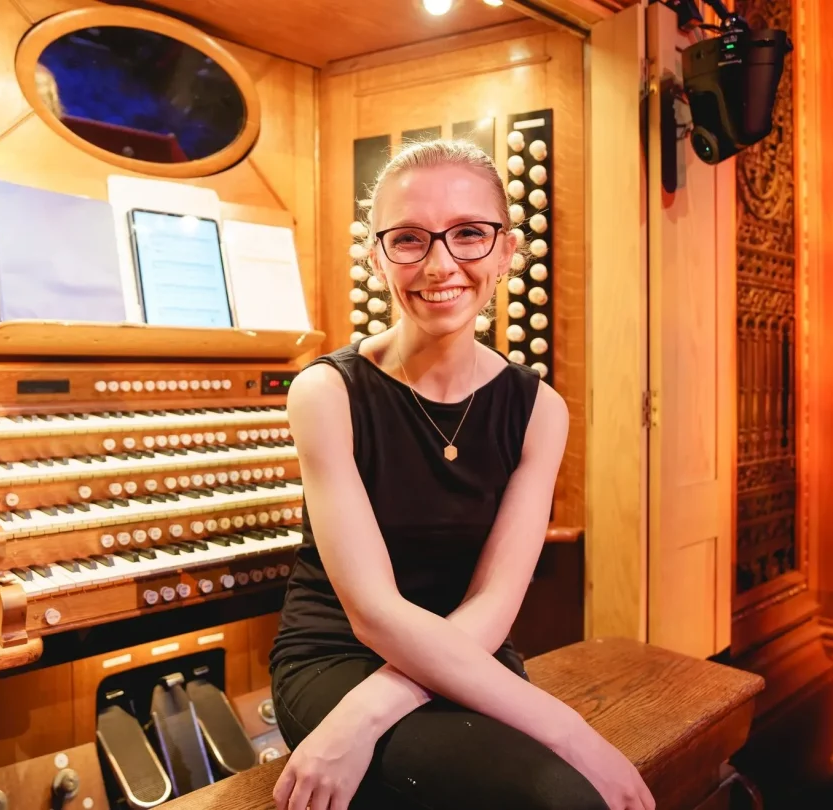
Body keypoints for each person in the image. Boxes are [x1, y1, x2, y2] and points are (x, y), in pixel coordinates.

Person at [268, 139, 654, 810]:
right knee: (561, 797)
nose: (440, 264)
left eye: (469, 234)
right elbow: (374, 614)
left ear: (506, 250)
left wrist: (369, 714)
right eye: (410, 239)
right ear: (377, 254)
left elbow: (494, 607)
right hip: (337, 658)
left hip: (471, 651)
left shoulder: (538, 410)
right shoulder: (326, 393)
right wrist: (572, 732)